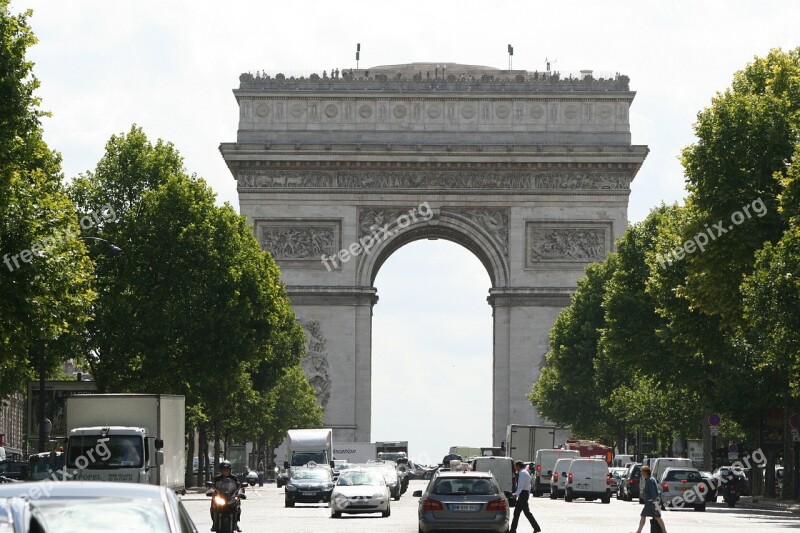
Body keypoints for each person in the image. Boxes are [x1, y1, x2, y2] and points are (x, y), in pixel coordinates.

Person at [510, 460, 542, 533]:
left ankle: (536, 527)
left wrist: (516, 494)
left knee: (526, 512)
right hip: (525, 493)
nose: (515, 467)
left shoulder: (522, 473)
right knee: (517, 513)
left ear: (518, 466)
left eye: (515, 466)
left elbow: (521, 485)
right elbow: (529, 486)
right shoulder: (525, 473)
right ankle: (513, 530)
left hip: (523, 494)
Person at [210, 460, 241, 532]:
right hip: (220, 497)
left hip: (231, 496)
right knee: (213, 505)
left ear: (230, 470)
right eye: (224, 470)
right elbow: (212, 487)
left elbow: (239, 486)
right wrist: (211, 491)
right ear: (221, 470)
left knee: (238, 504)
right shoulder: (217, 478)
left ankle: (236, 523)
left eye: (227, 470)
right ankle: (214, 522)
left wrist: (240, 492)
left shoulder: (234, 478)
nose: (225, 471)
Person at [635, 465, 667, 533]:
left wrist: (654, 501)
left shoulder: (650, 480)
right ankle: (639, 531)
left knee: (656, 517)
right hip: (651, 502)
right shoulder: (651, 479)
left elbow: (653, 492)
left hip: (652, 502)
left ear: (646, 472)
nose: (641, 473)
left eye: (642, 472)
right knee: (645, 516)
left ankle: (664, 531)